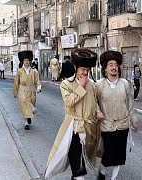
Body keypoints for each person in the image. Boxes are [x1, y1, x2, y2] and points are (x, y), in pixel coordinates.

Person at [45, 49, 100, 180]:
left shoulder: (93, 85)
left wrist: (97, 112)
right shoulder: (66, 84)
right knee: (78, 169)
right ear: (76, 68)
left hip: (89, 128)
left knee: (83, 164)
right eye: (82, 69)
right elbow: (69, 102)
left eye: (87, 70)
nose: (85, 72)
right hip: (73, 129)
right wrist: (81, 86)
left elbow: (95, 103)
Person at [96, 50, 138, 180]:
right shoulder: (99, 85)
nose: (114, 67)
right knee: (107, 155)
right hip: (106, 125)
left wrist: (134, 121)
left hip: (122, 125)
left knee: (119, 156)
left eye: (115, 64)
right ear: (106, 69)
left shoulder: (125, 83)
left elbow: (129, 104)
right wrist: (97, 111)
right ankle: (102, 172)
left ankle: (113, 178)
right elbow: (94, 102)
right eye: (110, 65)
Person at [13, 51, 42, 130]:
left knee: (31, 107)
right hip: (22, 91)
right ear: (23, 61)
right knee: (24, 106)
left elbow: (37, 82)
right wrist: (15, 92)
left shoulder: (34, 71)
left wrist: (39, 88)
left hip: (32, 92)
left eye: (28, 60)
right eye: (25, 60)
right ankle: (26, 123)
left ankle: (29, 116)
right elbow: (16, 82)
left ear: (30, 61)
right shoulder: (19, 71)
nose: (26, 62)